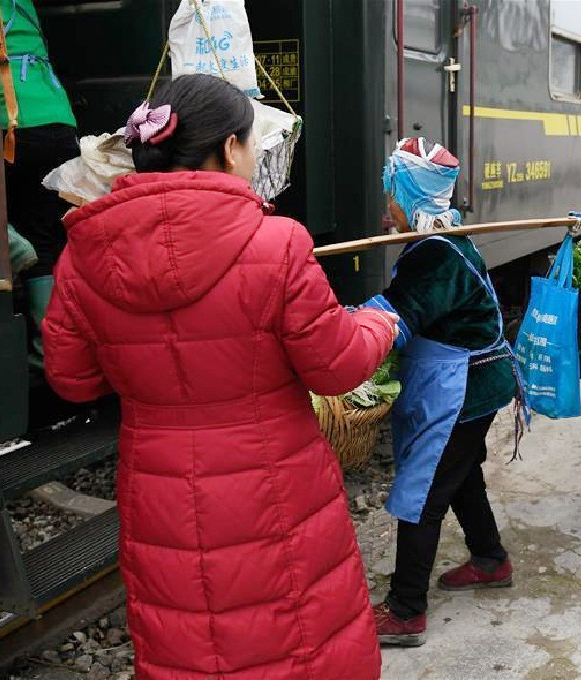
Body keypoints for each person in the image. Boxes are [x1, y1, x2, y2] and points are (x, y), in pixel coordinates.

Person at [42, 75, 398, 680]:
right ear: (230, 148)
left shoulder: (84, 253)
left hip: (159, 490)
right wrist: (378, 325)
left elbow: (73, 380)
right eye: (253, 142)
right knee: (296, 638)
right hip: (276, 485)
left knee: (189, 640)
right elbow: (336, 367)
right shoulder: (278, 243)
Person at [360, 138, 523, 647]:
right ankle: (490, 559)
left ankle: (406, 609)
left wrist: (344, 324)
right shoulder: (450, 238)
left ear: (408, 197)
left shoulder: (434, 253)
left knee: (423, 492)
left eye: (391, 194)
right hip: (475, 379)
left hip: (462, 388)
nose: (386, 205)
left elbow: (399, 316)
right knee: (462, 474)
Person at [0, 0, 80, 364]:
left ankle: (3, 233)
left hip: (9, 120)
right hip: (57, 121)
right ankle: (49, 357)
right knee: (46, 243)